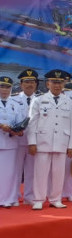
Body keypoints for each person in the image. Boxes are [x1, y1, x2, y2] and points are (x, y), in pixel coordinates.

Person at [26, 69, 72, 210]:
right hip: (42, 141)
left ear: (64, 84)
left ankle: (56, 198)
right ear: (47, 84)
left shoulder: (70, 103)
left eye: (60, 83)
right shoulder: (39, 101)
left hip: (62, 142)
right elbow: (32, 124)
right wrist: (32, 142)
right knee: (40, 173)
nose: (57, 85)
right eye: (54, 82)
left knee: (59, 173)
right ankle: (38, 199)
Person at [11, 68, 40, 205]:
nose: (30, 85)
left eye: (32, 82)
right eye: (26, 82)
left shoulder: (41, 99)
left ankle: (29, 196)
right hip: (16, 140)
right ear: (21, 84)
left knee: (31, 171)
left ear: (36, 84)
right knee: (15, 170)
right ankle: (14, 196)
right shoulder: (13, 99)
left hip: (34, 140)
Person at [0, 76, 23, 207]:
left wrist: (19, 130)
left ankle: (8, 199)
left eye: (7, 87)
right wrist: (1, 125)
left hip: (10, 142)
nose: (4, 89)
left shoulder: (15, 104)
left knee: (9, 174)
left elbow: (19, 122)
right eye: (2, 86)